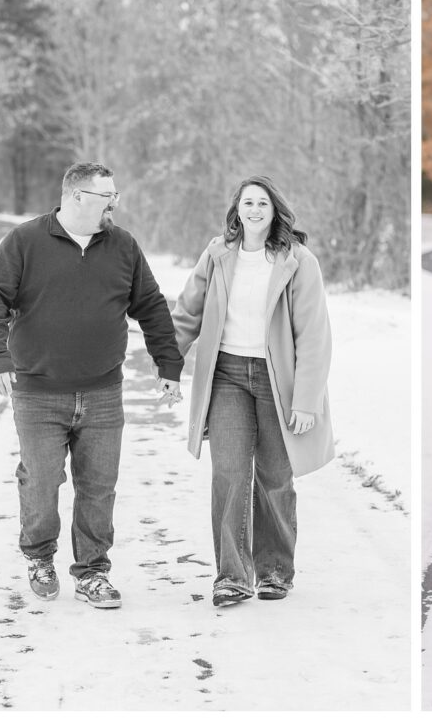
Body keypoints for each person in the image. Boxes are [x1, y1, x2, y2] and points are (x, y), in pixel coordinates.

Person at [0, 161, 184, 609]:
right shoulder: (25, 241)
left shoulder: (123, 245)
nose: (113, 203)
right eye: (105, 195)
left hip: (103, 391)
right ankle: (39, 558)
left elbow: (149, 305)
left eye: (115, 194)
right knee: (41, 480)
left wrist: (168, 364)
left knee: (99, 485)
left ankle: (92, 572)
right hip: (37, 391)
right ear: (75, 197)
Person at [171, 175, 334, 608]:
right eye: (248, 202)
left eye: (263, 202)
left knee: (275, 477)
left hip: (275, 380)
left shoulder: (298, 261)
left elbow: (314, 336)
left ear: (275, 209)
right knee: (228, 474)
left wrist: (306, 399)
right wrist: (169, 360)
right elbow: (188, 311)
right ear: (236, 209)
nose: (255, 210)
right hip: (225, 376)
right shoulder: (218, 255)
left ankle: (275, 571)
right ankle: (232, 577)